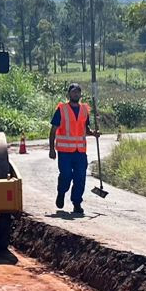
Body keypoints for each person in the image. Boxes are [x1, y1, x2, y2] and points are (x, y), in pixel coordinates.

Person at [48, 82, 100, 215]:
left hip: (80, 152)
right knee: (66, 176)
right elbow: (53, 130)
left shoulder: (84, 110)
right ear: (69, 94)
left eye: (77, 92)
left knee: (80, 178)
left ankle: (77, 203)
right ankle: (61, 192)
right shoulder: (62, 109)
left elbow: (85, 129)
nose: (75, 94)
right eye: (73, 92)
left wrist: (93, 133)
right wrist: (52, 149)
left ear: (80, 94)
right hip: (64, 152)